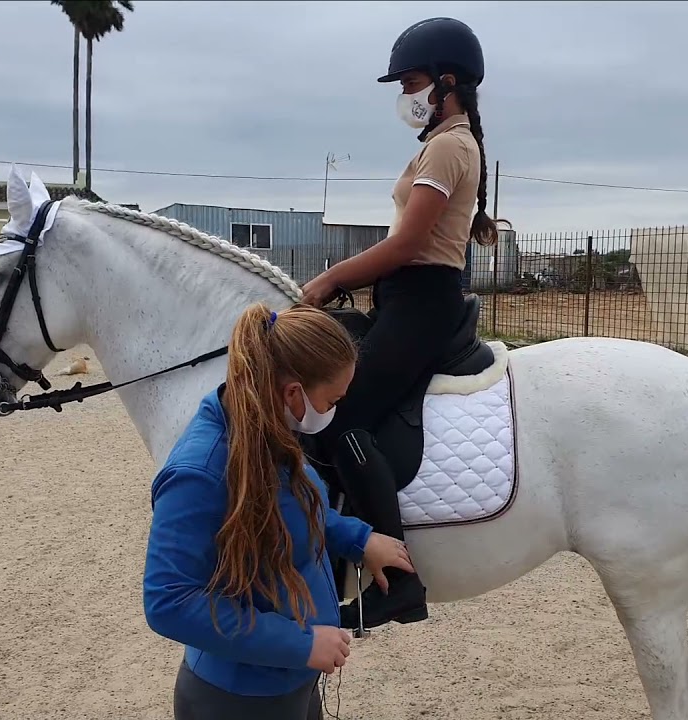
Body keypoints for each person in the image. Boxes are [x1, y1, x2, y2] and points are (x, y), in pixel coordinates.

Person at [299, 17, 498, 630]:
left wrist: (332, 279)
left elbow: (410, 244)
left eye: (411, 82)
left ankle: (399, 582)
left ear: (447, 82)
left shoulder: (448, 145)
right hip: (406, 299)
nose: (404, 96)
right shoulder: (447, 143)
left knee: (341, 417)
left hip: (422, 302)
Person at [143, 303, 417, 720]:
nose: (333, 411)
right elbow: (169, 601)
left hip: (290, 680)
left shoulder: (268, 428)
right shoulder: (199, 473)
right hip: (240, 700)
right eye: (332, 400)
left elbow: (297, 509)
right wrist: (301, 645)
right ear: (294, 393)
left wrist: (357, 539)